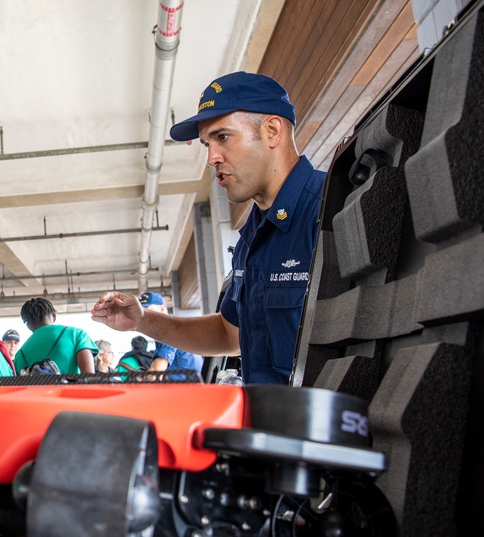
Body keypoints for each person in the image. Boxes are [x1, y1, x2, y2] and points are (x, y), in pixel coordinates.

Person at [92, 71, 325, 385]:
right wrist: (144, 320)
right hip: (268, 425)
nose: (212, 158)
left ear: (271, 131)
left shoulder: (330, 208)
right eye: (207, 144)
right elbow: (229, 333)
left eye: (223, 137)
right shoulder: (252, 237)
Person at [13, 297, 96, 375]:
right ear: (54, 316)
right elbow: (89, 377)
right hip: (72, 390)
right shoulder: (76, 334)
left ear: (28, 325)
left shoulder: (19, 356)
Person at [138, 292, 204, 373]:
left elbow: (155, 374)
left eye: (147, 312)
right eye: (141, 314)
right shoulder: (178, 328)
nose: (143, 318)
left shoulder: (168, 332)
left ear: (162, 309)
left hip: (185, 384)